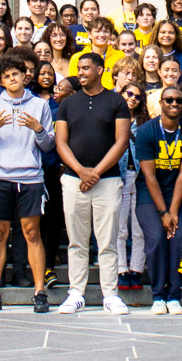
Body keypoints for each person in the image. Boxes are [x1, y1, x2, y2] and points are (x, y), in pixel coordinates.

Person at [52, 52, 132, 314]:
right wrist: (80, 171)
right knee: (77, 240)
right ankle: (76, 292)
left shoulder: (116, 101)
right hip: (74, 180)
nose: (81, 72)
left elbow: (121, 141)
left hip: (107, 180)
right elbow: (61, 142)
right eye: (79, 68)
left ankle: (110, 294)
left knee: (107, 240)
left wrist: (95, 172)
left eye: (86, 68)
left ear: (100, 69)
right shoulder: (68, 103)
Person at [0, 57, 55, 313]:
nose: (12, 79)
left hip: (30, 178)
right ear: (0, 80)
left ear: (25, 76)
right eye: (7, 76)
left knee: (32, 233)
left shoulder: (39, 104)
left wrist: (38, 129)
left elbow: (48, 145)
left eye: (17, 74)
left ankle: (39, 292)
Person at [134, 86, 182, 314]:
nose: (174, 104)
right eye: (169, 100)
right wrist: (164, 213)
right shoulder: (146, 131)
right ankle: (158, 295)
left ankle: (174, 296)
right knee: (157, 238)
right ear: (160, 103)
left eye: (178, 101)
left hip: (176, 192)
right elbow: (149, 175)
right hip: (149, 193)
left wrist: (172, 211)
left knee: (177, 238)